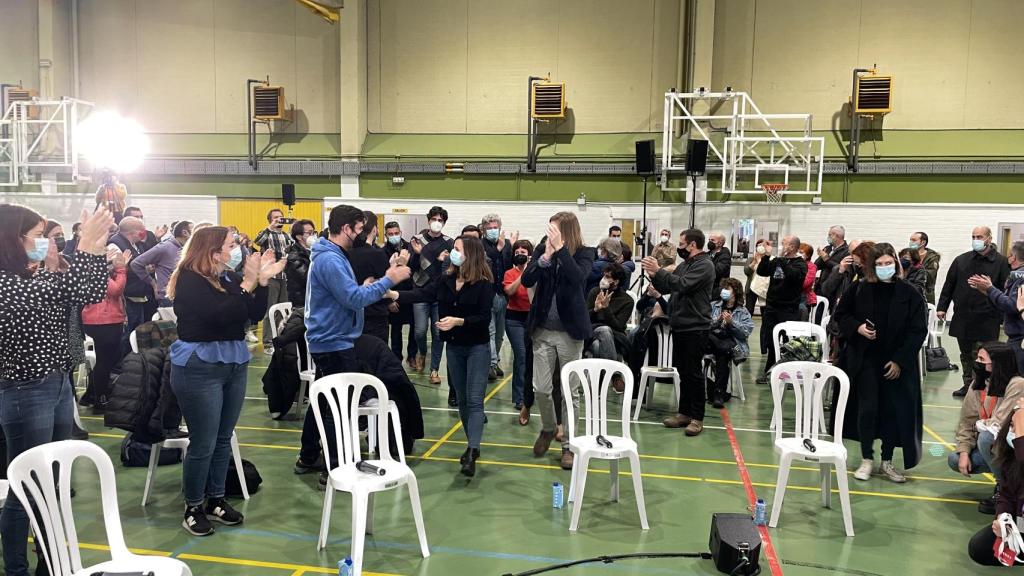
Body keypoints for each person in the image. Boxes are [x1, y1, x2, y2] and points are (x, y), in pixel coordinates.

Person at [0, 204, 112, 576]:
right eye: (38, 236)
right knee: (26, 486)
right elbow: (74, 288)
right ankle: (17, 568)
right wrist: (87, 247)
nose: (46, 243)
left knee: (51, 481)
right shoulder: (7, 283)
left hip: (57, 380)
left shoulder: (33, 276)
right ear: (12, 238)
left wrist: (93, 250)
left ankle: (49, 562)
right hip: (26, 389)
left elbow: (89, 291)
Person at [166, 226, 283, 536]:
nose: (235, 251)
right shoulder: (190, 279)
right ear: (213, 250)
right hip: (200, 365)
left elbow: (250, 314)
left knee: (222, 438)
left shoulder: (227, 278)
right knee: (203, 441)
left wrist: (261, 282)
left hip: (233, 361)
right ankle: (194, 505)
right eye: (231, 246)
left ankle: (216, 498)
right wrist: (247, 284)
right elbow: (218, 315)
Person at [295, 205, 411, 486]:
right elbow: (353, 299)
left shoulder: (334, 255)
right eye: (359, 229)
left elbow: (349, 293)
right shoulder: (330, 260)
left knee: (324, 398)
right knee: (339, 408)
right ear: (346, 228)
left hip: (333, 338)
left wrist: (373, 283)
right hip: (333, 342)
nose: (361, 235)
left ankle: (308, 455)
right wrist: (389, 280)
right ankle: (336, 468)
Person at [394, 236, 494, 477]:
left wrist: (459, 321)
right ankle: (473, 443)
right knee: (462, 399)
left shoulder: (484, 284)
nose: (452, 253)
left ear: (470, 254)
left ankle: (472, 450)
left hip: (477, 347)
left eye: (457, 249)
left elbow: (483, 318)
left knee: (474, 399)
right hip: (455, 347)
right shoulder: (446, 280)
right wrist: (394, 294)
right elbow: (422, 294)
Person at [834, 243, 927, 484]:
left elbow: (918, 330)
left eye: (888, 263)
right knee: (867, 409)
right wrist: (858, 328)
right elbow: (841, 315)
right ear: (871, 266)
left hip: (896, 362)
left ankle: (887, 460)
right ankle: (867, 458)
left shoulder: (909, 293)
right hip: (866, 360)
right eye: (879, 264)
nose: (885, 267)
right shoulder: (859, 288)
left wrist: (899, 360)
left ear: (895, 263)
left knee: (892, 412)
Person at [522, 212, 595, 469]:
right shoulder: (543, 250)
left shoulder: (585, 253)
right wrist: (544, 257)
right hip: (543, 331)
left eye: (555, 230)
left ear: (566, 232)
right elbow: (526, 279)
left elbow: (578, 278)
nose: (550, 234)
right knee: (541, 388)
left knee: (569, 392)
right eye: (549, 229)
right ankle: (548, 427)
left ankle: (569, 446)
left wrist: (561, 251)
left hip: (569, 333)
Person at [641, 228, 716, 436]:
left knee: (694, 373)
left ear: (692, 245)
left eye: (682, 244)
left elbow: (683, 285)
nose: (679, 247)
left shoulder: (705, 265)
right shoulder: (685, 265)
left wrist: (660, 270)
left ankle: (697, 418)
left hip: (696, 326)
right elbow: (668, 286)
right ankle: (684, 413)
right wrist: (654, 274)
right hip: (681, 324)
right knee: (683, 372)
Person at [949, 341, 1024, 513]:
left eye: (982, 359)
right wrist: (964, 451)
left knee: (986, 438)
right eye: (977, 358)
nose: (977, 362)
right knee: (955, 459)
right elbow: (966, 422)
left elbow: (998, 424)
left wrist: (980, 426)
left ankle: (1004, 489)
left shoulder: (1017, 384)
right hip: (995, 448)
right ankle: (1006, 481)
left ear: (997, 363)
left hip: (1013, 449)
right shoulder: (978, 385)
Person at [939, 227, 1011, 398]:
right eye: (973, 236)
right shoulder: (961, 260)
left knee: (985, 354)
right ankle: (968, 385)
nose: (976, 240)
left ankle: (983, 385)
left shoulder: (1001, 262)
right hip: (963, 315)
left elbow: (1006, 290)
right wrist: (942, 307)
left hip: (988, 316)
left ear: (989, 238)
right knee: (965, 354)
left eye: (979, 236)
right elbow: (949, 284)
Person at [968, 405, 1024, 566]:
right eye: (1012, 425)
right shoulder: (1011, 457)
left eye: (1020, 427)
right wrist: (1002, 519)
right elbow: (1006, 494)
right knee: (979, 548)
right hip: (1021, 518)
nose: (1014, 431)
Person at [82, 247, 131, 412]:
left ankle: (91, 394)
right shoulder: (97, 270)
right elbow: (115, 290)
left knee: (102, 360)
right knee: (104, 360)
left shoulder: (88, 268)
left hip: (97, 319)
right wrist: (121, 269)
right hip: (104, 320)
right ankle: (100, 399)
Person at [409, 206, 454, 384]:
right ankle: (422, 352)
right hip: (420, 291)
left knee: (438, 333)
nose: (436, 222)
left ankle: (434, 369)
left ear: (444, 223)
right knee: (420, 331)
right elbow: (412, 267)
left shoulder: (449, 242)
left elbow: (447, 271)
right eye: (434, 219)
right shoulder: (417, 240)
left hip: (439, 294)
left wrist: (441, 261)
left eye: (440, 220)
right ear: (428, 220)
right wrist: (418, 255)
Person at [755, 235, 808, 383]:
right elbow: (762, 271)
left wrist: (781, 259)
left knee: (788, 341)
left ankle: (789, 374)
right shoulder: (777, 261)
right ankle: (770, 371)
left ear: (792, 247)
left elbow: (793, 276)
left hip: (788, 308)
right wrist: (766, 256)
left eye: (784, 243)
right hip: (772, 306)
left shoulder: (800, 264)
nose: (781, 246)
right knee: (771, 340)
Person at [969, 241, 1024, 371]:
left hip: (1019, 338)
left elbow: (1013, 305)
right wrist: (988, 292)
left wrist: (990, 289)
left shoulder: (1020, 277)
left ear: (1013, 257)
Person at [109, 216, 158, 352]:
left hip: (141, 295)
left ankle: (137, 359)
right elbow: (115, 270)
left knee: (139, 333)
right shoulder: (114, 245)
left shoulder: (138, 244)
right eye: (142, 230)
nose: (145, 233)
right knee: (128, 334)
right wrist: (143, 269)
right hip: (128, 297)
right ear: (132, 232)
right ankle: (124, 361)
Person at [706, 277, 754, 408]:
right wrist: (717, 321)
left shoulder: (742, 312)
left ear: (735, 292)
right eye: (723, 288)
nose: (724, 291)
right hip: (712, 342)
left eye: (727, 289)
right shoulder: (713, 305)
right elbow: (704, 325)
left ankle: (718, 393)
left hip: (730, 341)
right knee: (712, 339)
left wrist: (732, 323)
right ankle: (719, 393)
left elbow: (745, 332)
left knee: (723, 355)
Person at [585, 262, 633, 389]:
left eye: (607, 277)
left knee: (598, 346)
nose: (603, 279)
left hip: (615, 337)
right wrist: (595, 309)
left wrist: (606, 308)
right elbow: (585, 319)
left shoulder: (627, 300)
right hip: (593, 332)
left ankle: (597, 389)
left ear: (616, 282)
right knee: (603, 330)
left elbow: (618, 326)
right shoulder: (595, 292)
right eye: (604, 275)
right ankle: (615, 375)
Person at [253, 208, 294, 355]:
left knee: (283, 311)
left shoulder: (286, 235)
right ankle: (268, 343)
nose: (279, 219)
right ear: (270, 220)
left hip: (285, 277)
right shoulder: (266, 233)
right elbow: (257, 241)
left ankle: (280, 339)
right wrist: (271, 227)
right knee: (269, 310)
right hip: (271, 277)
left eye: (281, 217)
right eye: (275, 217)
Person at [349, 211, 392, 342]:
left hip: (352, 313)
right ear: (374, 228)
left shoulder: (347, 253)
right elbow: (386, 283)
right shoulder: (377, 254)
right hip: (375, 313)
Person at [480, 214, 513, 381]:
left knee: (500, 333)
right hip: (487, 293)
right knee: (490, 331)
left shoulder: (507, 244)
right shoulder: (480, 245)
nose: (493, 230)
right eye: (489, 228)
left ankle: (495, 360)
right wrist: (497, 249)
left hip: (503, 293)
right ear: (484, 230)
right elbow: (484, 263)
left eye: (495, 227)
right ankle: (490, 364)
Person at [504, 239, 534, 421]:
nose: (520, 254)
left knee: (531, 357)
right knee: (521, 355)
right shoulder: (510, 273)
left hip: (532, 318)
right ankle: (520, 397)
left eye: (523, 252)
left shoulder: (535, 272)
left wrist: (530, 271)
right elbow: (510, 291)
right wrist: (522, 274)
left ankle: (530, 393)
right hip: (514, 319)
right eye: (517, 252)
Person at [131, 220, 192, 307]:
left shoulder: (186, 249)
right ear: (185, 232)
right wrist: (153, 283)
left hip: (183, 296)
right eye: (195, 231)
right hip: (168, 298)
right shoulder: (164, 247)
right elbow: (136, 264)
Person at [384, 221, 418, 368]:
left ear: (401, 233)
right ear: (386, 235)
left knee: (414, 327)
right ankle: (396, 358)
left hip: (410, 293)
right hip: (393, 294)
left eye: (396, 233)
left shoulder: (410, 248)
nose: (394, 236)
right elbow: (381, 277)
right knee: (396, 329)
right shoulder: (383, 252)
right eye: (390, 234)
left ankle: (412, 356)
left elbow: (416, 268)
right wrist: (388, 301)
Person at [285, 219, 315, 308]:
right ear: (299, 236)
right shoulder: (294, 256)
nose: (313, 236)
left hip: (312, 299)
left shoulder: (311, 251)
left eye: (313, 232)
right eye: (309, 233)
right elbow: (308, 278)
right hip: (301, 302)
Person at [814, 225, 849, 301]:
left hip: (833, 290)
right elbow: (816, 265)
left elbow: (840, 268)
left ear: (837, 236)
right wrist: (821, 257)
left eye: (830, 235)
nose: (828, 237)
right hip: (820, 287)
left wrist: (827, 260)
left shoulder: (847, 251)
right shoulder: (828, 248)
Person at [910, 231, 941, 304]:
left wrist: (912, 270)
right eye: (910, 240)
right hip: (909, 293)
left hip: (926, 295)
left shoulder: (932, 258)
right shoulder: (907, 255)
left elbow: (929, 276)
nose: (911, 242)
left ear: (923, 242)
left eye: (914, 240)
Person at [743, 239, 766, 315]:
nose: (760, 247)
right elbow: (747, 272)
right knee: (749, 309)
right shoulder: (751, 259)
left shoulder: (768, 260)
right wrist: (754, 261)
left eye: (762, 245)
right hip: (751, 287)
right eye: (758, 246)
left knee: (764, 310)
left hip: (763, 289)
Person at [798, 243, 818, 322]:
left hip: (804, 297)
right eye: (797, 252)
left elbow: (806, 283)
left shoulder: (811, 266)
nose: (798, 254)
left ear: (808, 255)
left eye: (801, 252)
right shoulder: (794, 263)